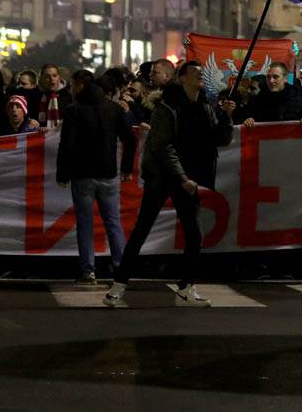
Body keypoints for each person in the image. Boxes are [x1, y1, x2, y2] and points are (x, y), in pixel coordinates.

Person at [105, 60, 235, 308]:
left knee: (194, 234)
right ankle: (119, 285)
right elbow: (164, 148)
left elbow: (219, 139)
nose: (201, 75)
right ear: (182, 78)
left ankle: (185, 289)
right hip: (163, 177)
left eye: (201, 72)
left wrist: (227, 116)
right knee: (142, 230)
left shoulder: (205, 106)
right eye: (195, 72)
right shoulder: (167, 107)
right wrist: (182, 178)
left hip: (188, 178)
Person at [57, 70, 137, 284]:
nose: (71, 89)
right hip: (108, 174)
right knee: (113, 222)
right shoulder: (113, 109)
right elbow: (130, 139)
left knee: (85, 224)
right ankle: (121, 267)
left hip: (82, 175)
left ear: (80, 85)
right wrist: (127, 168)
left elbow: (67, 145)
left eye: (72, 85)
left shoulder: (73, 110)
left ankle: (88, 270)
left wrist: (63, 173)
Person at [38, 63, 72, 130]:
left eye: (54, 75)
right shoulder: (37, 96)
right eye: (47, 77)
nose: (51, 79)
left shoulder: (70, 95)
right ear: (41, 79)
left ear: (59, 77)